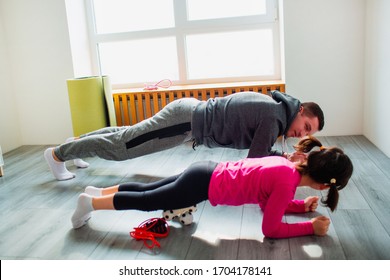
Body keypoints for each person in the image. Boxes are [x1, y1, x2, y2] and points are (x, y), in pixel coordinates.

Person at [71, 136, 353, 239]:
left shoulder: (285, 168)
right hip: (203, 185)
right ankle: (91, 204)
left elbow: (267, 204)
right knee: (148, 199)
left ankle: (100, 193)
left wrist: (300, 207)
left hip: (206, 169)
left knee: (153, 188)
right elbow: (271, 229)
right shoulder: (286, 185)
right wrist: (309, 227)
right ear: (320, 184)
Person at [45, 90, 325, 180]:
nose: (303, 133)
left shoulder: (275, 108)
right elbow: (255, 159)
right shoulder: (275, 118)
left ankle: (75, 144)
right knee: (123, 147)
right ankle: (58, 154)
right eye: (307, 126)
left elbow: (260, 150)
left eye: (308, 132)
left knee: (126, 135)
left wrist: (284, 154)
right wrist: (286, 160)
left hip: (187, 118)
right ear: (300, 111)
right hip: (185, 122)